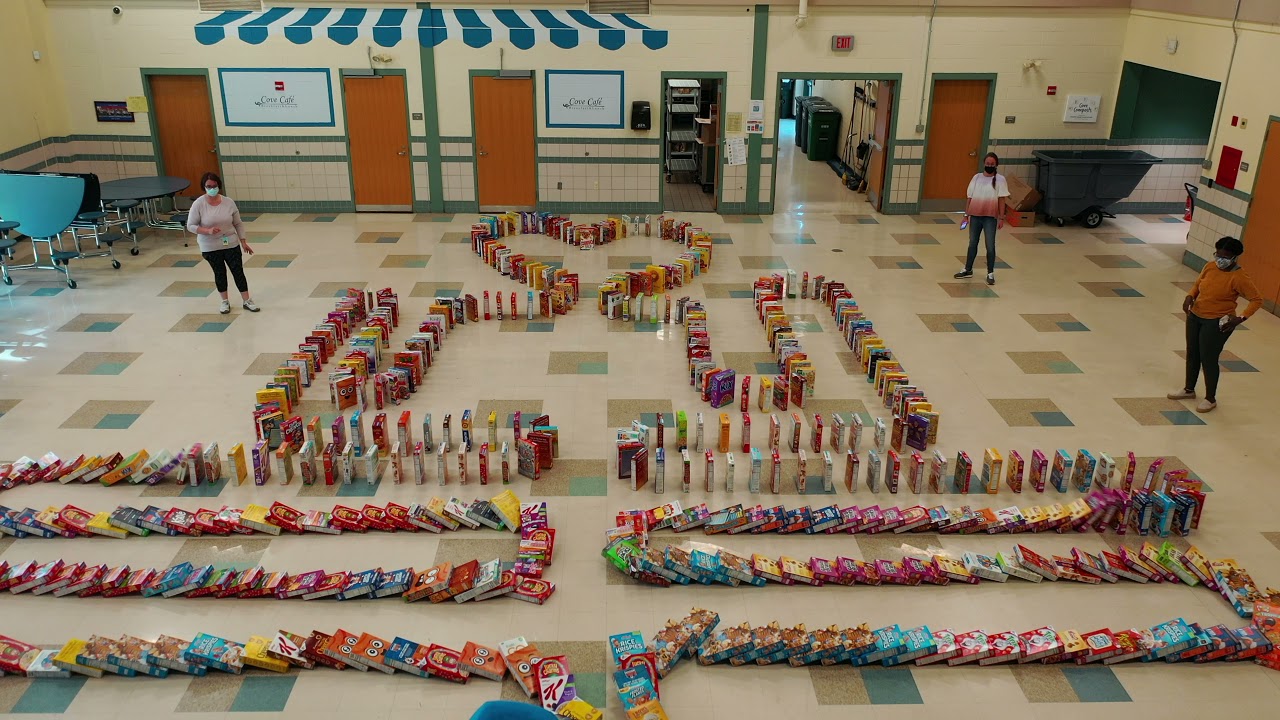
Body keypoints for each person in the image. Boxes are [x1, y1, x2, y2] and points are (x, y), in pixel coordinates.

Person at [1168, 237, 1261, 412]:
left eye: (1225, 257)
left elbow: (1257, 300)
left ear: (1234, 257)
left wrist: (1240, 318)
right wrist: (1190, 296)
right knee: (1193, 353)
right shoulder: (1210, 266)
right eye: (1218, 254)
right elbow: (1198, 284)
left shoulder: (1239, 277)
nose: (1220, 259)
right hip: (1195, 315)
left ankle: (1210, 399)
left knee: (1208, 358)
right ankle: (1189, 389)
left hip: (1217, 322)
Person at [186, 172, 260, 314]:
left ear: (219, 186)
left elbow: (238, 223)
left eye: (214, 186)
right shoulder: (199, 204)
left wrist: (243, 241)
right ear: (204, 187)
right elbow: (191, 226)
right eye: (209, 186)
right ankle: (224, 301)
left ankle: (247, 300)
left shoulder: (228, 202)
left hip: (230, 243)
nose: (212, 188)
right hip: (210, 246)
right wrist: (207, 230)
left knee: (238, 271)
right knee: (219, 273)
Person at [954, 152, 1009, 285]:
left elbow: (1002, 199)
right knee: (972, 243)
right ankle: (968, 269)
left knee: (990, 245)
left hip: (990, 217)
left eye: (992, 164)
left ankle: (990, 272)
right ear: (984, 163)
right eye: (987, 163)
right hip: (975, 216)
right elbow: (969, 198)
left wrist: (1001, 217)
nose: (989, 165)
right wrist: (966, 216)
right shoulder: (976, 177)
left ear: (996, 165)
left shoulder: (1000, 180)